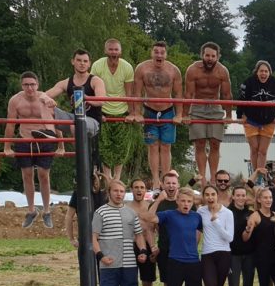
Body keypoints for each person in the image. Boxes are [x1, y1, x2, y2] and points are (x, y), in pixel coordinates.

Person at [92, 180, 148, 286]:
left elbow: (138, 235)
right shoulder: (100, 212)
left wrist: (142, 250)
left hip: (129, 261)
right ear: (109, 192)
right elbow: (93, 237)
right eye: (116, 191)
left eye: (122, 191)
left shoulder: (131, 213)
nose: (119, 194)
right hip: (109, 261)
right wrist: (100, 256)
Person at [4, 71, 61, 229]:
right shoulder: (15, 100)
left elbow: (57, 120)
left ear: (38, 85)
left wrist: (61, 145)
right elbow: (10, 123)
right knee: (27, 175)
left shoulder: (44, 99)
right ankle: (31, 210)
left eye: (32, 84)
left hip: (43, 140)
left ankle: (47, 211)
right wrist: (7, 146)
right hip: (25, 139)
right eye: (26, 85)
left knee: (43, 175)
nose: (30, 88)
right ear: (22, 85)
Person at [45, 49, 106, 173]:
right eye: (79, 60)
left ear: (89, 64)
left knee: (77, 125)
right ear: (73, 62)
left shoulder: (95, 80)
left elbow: (101, 100)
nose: (82, 63)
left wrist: (86, 98)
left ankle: (82, 161)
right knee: (46, 107)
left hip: (92, 122)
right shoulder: (66, 82)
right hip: (74, 118)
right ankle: (50, 135)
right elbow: (46, 94)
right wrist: (45, 99)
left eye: (85, 61)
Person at [134, 41, 184, 190]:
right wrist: (137, 113)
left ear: (166, 54)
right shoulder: (142, 69)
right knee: (153, 146)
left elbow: (178, 94)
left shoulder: (173, 70)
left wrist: (179, 114)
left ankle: (166, 179)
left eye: (162, 52)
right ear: (152, 53)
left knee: (166, 146)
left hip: (168, 111)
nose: (159, 55)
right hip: (149, 110)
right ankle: (156, 180)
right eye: (156, 52)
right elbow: (137, 93)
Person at [185, 42, 234, 188]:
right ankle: (202, 178)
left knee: (215, 143)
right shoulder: (193, 70)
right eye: (207, 55)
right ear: (202, 55)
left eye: (213, 56)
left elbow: (226, 94)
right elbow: (188, 93)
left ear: (218, 57)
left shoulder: (222, 71)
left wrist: (229, 114)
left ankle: (213, 178)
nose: (210, 58)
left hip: (215, 106)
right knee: (199, 143)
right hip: (197, 106)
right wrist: (185, 114)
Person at [90, 38, 135, 183]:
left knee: (121, 146)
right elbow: (92, 90)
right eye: (111, 49)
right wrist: (98, 112)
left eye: (116, 49)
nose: (113, 52)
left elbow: (129, 93)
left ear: (120, 51)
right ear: (106, 51)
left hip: (121, 111)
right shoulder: (97, 65)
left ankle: (117, 178)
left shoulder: (127, 67)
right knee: (104, 146)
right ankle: (107, 179)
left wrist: (131, 113)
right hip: (103, 110)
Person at [149, 186, 202, 286]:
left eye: (189, 201)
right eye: (183, 201)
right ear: (177, 201)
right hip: (175, 260)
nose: (186, 204)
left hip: (193, 261)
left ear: (192, 202)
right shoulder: (169, 214)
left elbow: (199, 231)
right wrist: (157, 201)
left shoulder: (196, 217)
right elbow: (150, 218)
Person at [237, 60, 275, 176]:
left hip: (268, 120)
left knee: (262, 151)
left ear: (269, 72)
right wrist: (239, 116)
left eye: (266, 71)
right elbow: (241, 100)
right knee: (254, 149)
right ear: (256, 72)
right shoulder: (249, 82)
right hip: (251, 120)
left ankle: (260, 177)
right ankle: (255, 174)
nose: (263, 74)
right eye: (261, 71)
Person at [197, 184, 235, 286]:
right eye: (207, 195)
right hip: (207, 253)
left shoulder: (227, 213)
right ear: (203, 197)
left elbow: (230, 237)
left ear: (217, 196)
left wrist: (216, 221)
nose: (210, 197)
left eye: (213, 194)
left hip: (224, 253)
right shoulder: (200, 211)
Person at [245, 187, 275, 286]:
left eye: (270, 197)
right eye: (265, 197)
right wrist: (248, 229)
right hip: (261, 257)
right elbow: (245, 238)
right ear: (259, 200)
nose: (268, 200)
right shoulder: (255, 216)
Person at [128, 178, 158, 286]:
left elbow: (156, 228)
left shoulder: (151, 207)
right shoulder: (126, 208)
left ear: (146, 190)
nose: (139, 190)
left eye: (142, 187)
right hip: (130, 247)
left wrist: (154, 248)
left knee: (147, 284)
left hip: (148, 246)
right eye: (136, 187)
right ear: (132, 189)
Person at [225, 185, 255, 286]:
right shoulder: (227, 212)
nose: (241, 198)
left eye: (243, 195)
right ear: (233, 197)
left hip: (249, 254)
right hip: (233, 255)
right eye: (238, 195)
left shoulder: (250, 213)